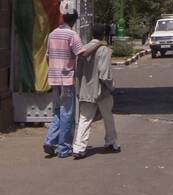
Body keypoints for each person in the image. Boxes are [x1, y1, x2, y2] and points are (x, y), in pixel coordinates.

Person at [43, 11, 103, 158]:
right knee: (68, 113)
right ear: (75, 21)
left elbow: (47, 57)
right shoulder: (72, 35)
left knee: (58, 110)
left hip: (54, 78)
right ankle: (64, 148)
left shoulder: (52, 34)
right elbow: (82, 54)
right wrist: (99, 44)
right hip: (66, 78)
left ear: (63, 18)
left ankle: (50, 141)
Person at [73, 24, 120, 159]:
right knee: (108, 117)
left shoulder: (83, 49)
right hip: (101, 91)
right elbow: (105, 74)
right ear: (103, 35)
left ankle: (79, 147)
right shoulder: (103, 50)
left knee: (84, 119)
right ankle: (111, 142)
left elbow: (78, 71)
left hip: (85, 90)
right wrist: (112, 88)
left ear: (91, 34)